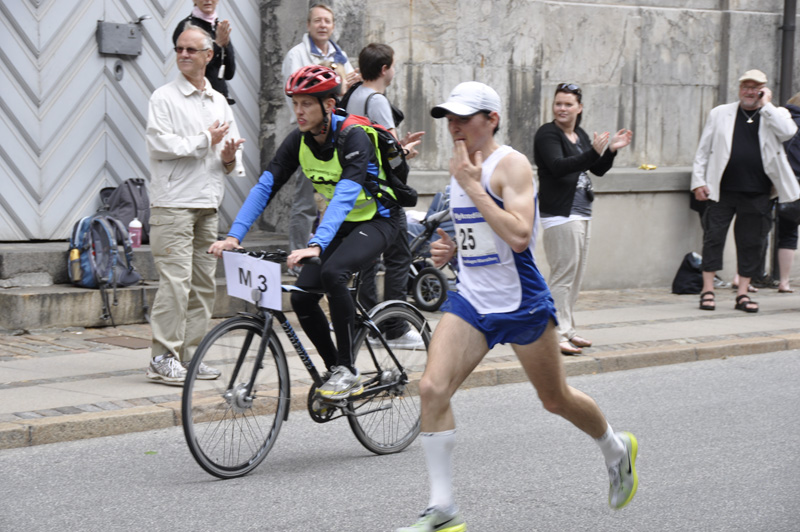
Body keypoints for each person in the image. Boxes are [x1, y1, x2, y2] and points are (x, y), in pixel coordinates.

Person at [395, 81, 639, 532]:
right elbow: (481, 235)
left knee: (555, 399)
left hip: (520, 301)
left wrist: (473, 186)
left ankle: (615, 447)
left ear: (492, 120)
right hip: (472, 299)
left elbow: (520, 235)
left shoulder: (512, 165)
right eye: (449, 119)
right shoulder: (461, 168)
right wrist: (453, 252)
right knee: (432, 388)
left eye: (464, 118)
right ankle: (443, 509)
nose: (454, 126)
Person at [209, 65, 402, 399]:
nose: (298, 111)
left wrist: (316, 243)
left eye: (307, 104)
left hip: (379, 219)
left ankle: (348, 370)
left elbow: (345, 194)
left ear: (329, 105)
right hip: (342, 225)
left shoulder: (353, 137)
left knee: (333, 272)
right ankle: (334, 370)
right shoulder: (299, 140)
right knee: (301, 296)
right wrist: (233, 236)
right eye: (295, 103)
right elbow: (265, 187)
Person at [145, 24, 245, 385]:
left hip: (207, 202)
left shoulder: (218, 100)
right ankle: (162, 358)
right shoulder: (164, 97)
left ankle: (191, 355)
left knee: (203, 284)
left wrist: (229, 156)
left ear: (209, 55)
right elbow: (160, 145)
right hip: (173, 203)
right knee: (175, 283)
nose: (183, 54)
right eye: (179, 49)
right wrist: (206, 139)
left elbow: (230, 155)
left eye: (191, 49)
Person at [533, 83, 632, 356]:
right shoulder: (547, 134)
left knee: (575, 278)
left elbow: (596, 169)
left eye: (568, 104)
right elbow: (558, 166)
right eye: (558, 103)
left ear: (579, 108)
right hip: (560, 215)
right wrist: (592, 153)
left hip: (581, 213)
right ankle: (554, 334)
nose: (562, 109)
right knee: (563, 276)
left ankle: (567, 329)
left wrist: (610, 150)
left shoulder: (580, 134)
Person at [691, 69, 800, 313]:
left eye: (755, 88)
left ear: (763, 90)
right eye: (746, 87)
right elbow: (703, 150)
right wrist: (698, 181)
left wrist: (766, 105)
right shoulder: (720, 113)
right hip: (722, 189)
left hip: (758, 191)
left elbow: (788, 132)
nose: (749, 92)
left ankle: (743, 293)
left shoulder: (776, 114)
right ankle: (707, 290)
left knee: (751, 242)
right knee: (713, 238)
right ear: (740, 89)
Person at [345, 43, 424, 344]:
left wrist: (398, 146)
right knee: (399, 256)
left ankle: (371, 324)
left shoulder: (353, 96)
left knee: (367, 259)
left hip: (359, 188)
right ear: (383, 69)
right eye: (393, 65)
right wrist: (405, 151)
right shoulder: (376, 100)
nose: (394, 70)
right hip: (383, 192)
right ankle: (395, 326)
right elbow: (391, 154)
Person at [282, 3, 361, 272]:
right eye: (317, 20)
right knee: (305, 201)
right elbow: (294, 93)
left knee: (338, 200)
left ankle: (328, 256)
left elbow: (344, 93)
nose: (323, 25)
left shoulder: (341, 55)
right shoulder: (297, 54)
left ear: (333, 25)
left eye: (327, 21)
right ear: (308, 25)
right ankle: (297, 261)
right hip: (309, 135)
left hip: (337, 135)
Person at [173, 0, 236, 105]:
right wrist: (217, 45)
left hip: (220, 99)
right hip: (194, 97)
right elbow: (191, 67)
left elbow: (229, 73)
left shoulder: (219, 28)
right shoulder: (186, 27)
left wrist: (226, 45)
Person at [777, 91, 800, 293]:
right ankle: (784, 281)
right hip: (796, 184)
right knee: (789, 233)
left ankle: (742, 277)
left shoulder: (780, 121)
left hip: (774, 182)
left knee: (758, 231)